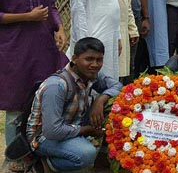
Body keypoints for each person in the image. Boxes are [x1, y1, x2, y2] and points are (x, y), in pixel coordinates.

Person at [0, 0, 68, 150]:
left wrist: (59, 28)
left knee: (45, 99)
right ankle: (14, 156)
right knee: (16, 104)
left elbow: (52, 6)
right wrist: (26, 17)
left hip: (43, 47)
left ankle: (40, 153)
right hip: (15, 49)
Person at [27, 37, 122, 173]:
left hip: (72, 126)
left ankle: (101, 160)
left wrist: (100, 99)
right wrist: (87, 130)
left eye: (99, 60)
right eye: (89, 59)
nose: (95, 64)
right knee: (85, 154)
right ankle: (44, 165)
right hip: (43, 138)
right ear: (74, 59)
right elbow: (52, 131)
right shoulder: (56, 86)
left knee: (115, 108)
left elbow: (117, 86)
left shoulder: (91, 74)